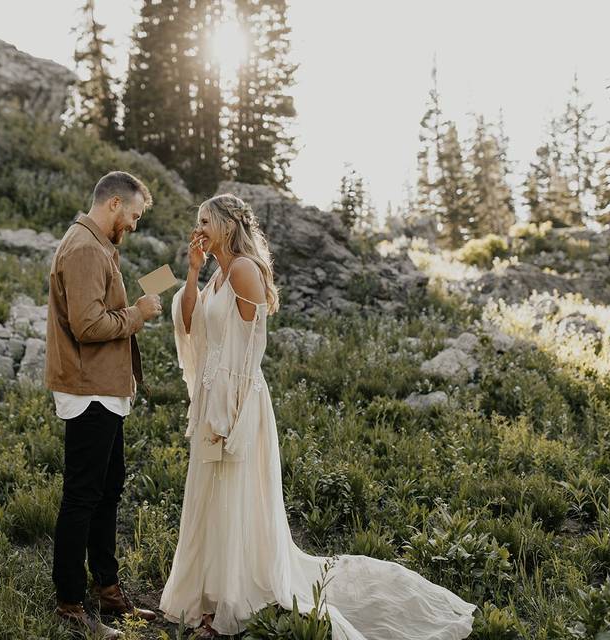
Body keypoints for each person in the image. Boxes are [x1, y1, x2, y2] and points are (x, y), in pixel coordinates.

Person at [159, 193, 477, 640]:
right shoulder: (215, 275)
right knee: (212, 499)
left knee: (235, 497)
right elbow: (190, 322)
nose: (200, 229)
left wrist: (232, 413)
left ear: (229, 226)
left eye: (206, 221)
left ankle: (234, 601)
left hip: (236, 403)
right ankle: (211, 596)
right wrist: (192, 269)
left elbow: (251, 349)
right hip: (213, 400)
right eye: (198, 222)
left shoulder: (245, 271)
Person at [45, 171, 162, 638]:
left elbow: (95, 312)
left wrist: (135, 307)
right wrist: (139, 314)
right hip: (88, 387)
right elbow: (89, 325)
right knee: (82, 495)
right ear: (114, 204)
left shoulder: (97, 245)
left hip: (104, 388)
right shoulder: (84, 249)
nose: (133, 225)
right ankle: (70, 602)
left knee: (107, 489)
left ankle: (107, 590)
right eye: (133, 216)